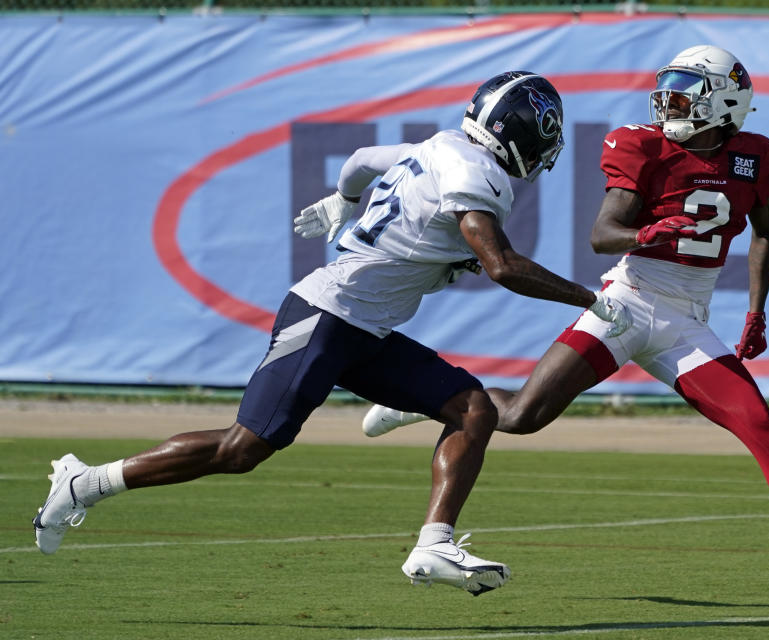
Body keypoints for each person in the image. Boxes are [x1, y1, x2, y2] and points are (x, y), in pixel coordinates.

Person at [31, 71, 630, 597]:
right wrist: (590, 300)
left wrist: (343, 201)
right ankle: (86, 483)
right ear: (524, 135)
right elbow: (502, 265)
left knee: (471, 406)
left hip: (363, 328)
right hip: (327, 316)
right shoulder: (478, 175)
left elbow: (365, 159)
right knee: (243, 449)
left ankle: (432, 544)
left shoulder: (443, 145)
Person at [361, 46, 769, 593]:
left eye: (683, 92)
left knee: (764, 428)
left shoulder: (754, 155)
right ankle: (431, 399)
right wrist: (647, 233)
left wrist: (756, 309)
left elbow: (766, 231)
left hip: (685, 321)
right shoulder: (642, 146)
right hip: (625, 303)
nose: (668, 103)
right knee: (525, 415)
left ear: (722, 102)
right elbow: (603, 235)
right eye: (667, 90)